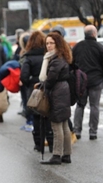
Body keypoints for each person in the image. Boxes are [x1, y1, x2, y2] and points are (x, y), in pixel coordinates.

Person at [72, 25, 103, 140]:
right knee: (95, 106)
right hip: (96, 81)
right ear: (94, 34)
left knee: (80, 105)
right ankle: (93, 132)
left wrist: (75, 76)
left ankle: (77, 130)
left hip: (80, 81)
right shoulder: (100, 47)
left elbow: (71, 62)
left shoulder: (77, 47)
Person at [39, 32, 72, 165]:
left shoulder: (56, 59)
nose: (49, 46)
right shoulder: (60, 57)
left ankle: (57, 155)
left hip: (57, 92)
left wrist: (43, 85)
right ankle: (67, 154)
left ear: (57, 43)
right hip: (63, 91)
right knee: (64, 123)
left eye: (51, 43)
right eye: (47, 43)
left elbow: (49, 79)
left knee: (56, 123)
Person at [20, 30, 53, 152]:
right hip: (48, 88)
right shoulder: (48, 56)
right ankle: (51, 142)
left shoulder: (28, 57)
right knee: (48, 116)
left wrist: (30, 83)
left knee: (36, 116)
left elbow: (23, 76)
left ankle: (38, 143)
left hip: (34, 90)